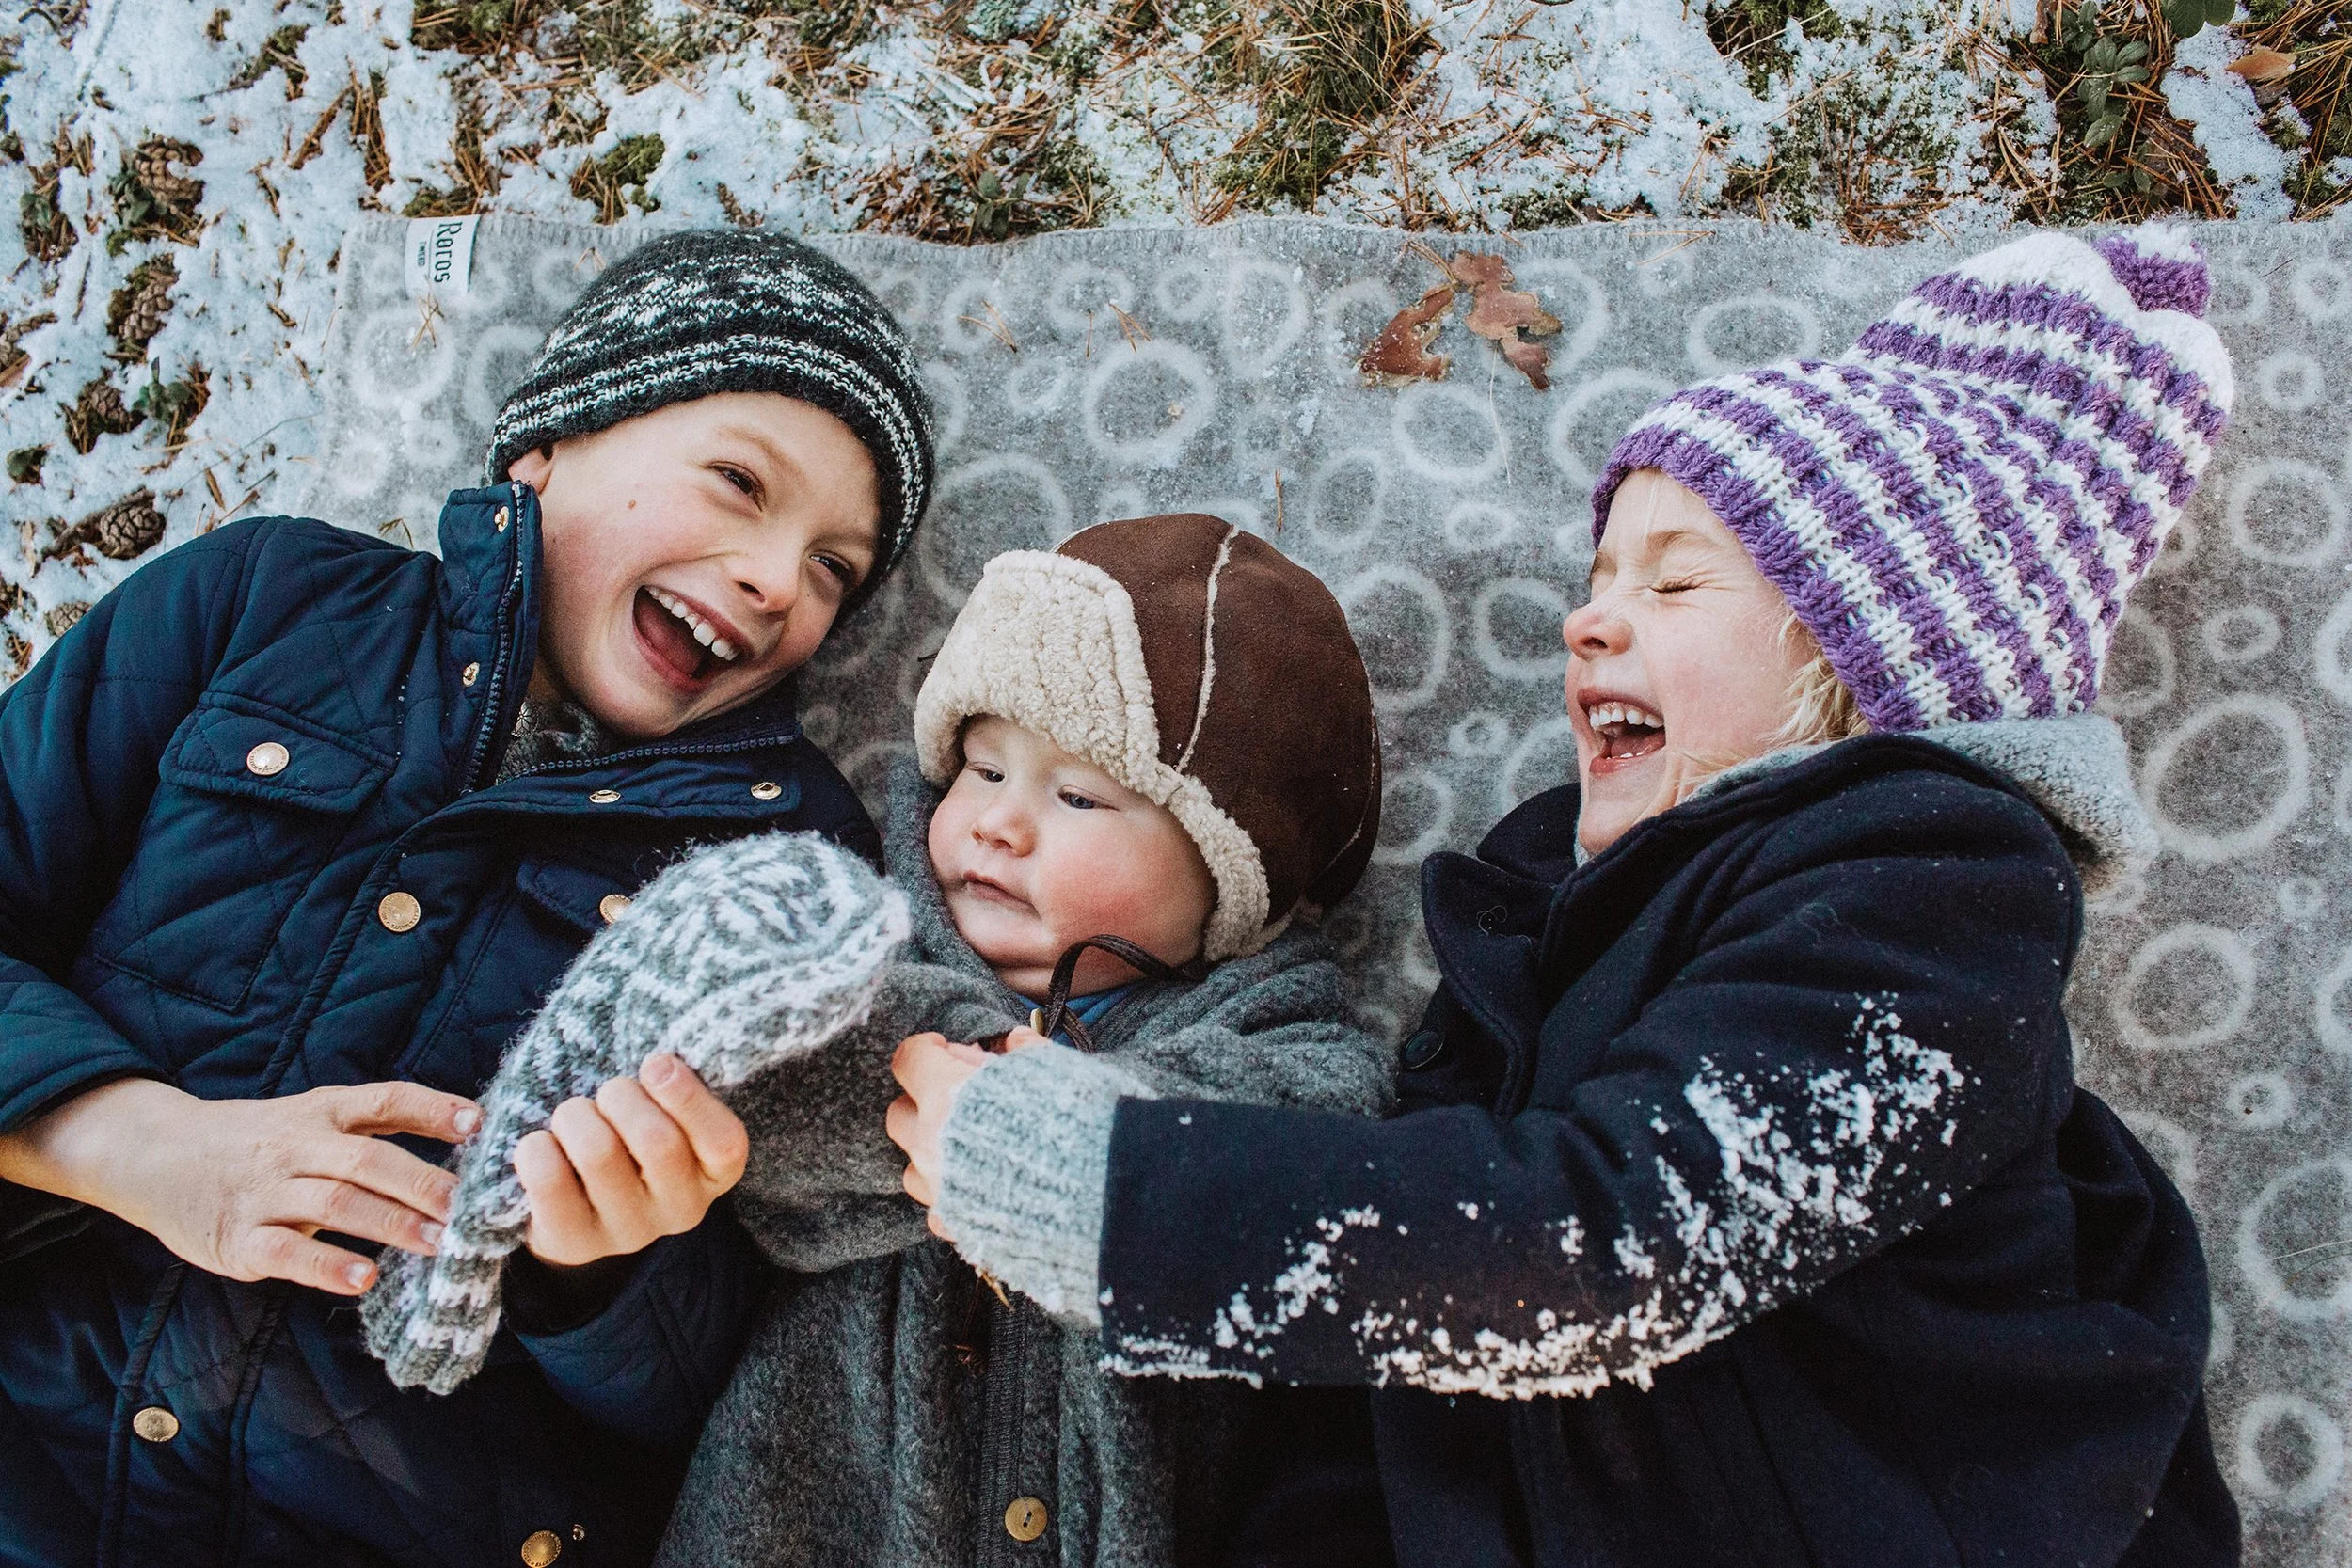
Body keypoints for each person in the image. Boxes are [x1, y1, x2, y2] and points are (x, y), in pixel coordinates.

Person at [891, 227, 2243, 1567]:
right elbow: (1398, 1381)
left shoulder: (1929, 891)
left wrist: (1105, 1195)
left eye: (1672, 580)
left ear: (1867, 665)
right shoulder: (1532, 935)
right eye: (1599, 580)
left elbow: (1619, 1240)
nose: (1586, 621)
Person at [0, 230, 933, 1567]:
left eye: (835, 569)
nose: (781, 581)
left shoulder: (796, 863)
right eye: (738, 481)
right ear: (547, 446)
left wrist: (602, 1263)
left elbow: (730, 1385)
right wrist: (130, 1142)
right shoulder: (263, 599)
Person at [532, 513, 1392, 1567]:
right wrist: (950, 1047)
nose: (997, 821)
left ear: (1230, 880)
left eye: (1078, 794)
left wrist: (1058, 1127)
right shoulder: (853, 955)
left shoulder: (1276, 1028)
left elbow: (1301, 1169)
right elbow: (756, 1102)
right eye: (982, 770)